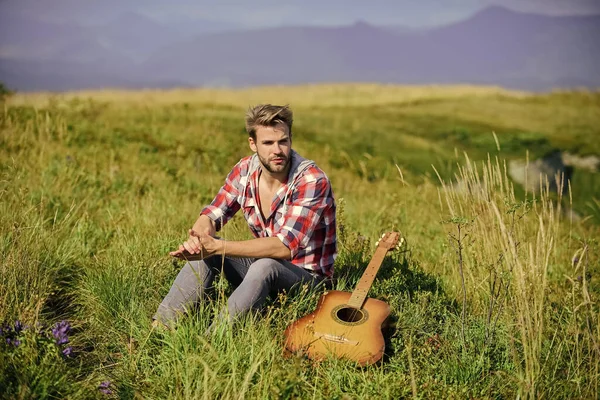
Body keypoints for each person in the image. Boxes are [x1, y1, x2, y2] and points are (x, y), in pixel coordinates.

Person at [153, 104, 337, 329]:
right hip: (261, 270)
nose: (277, 150)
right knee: (210, 252)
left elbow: (284, 248)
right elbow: (212, 214)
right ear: (253, 144)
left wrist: (217, 247)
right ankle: (160, 329)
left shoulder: (311, 180)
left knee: (262, 265)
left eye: (283, 141)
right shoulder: (244, 170)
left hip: (308, 281)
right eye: (268, 143)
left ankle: (214, 342)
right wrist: (199, 240)